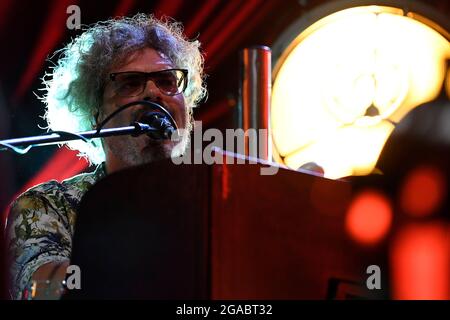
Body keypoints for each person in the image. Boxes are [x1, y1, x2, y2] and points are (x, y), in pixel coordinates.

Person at [5, 13, 206, 299]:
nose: (153, 92)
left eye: (166, 81)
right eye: (130, 83)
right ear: (96, 114)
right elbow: (40, 291)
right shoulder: (48, 204)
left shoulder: (213, 201)